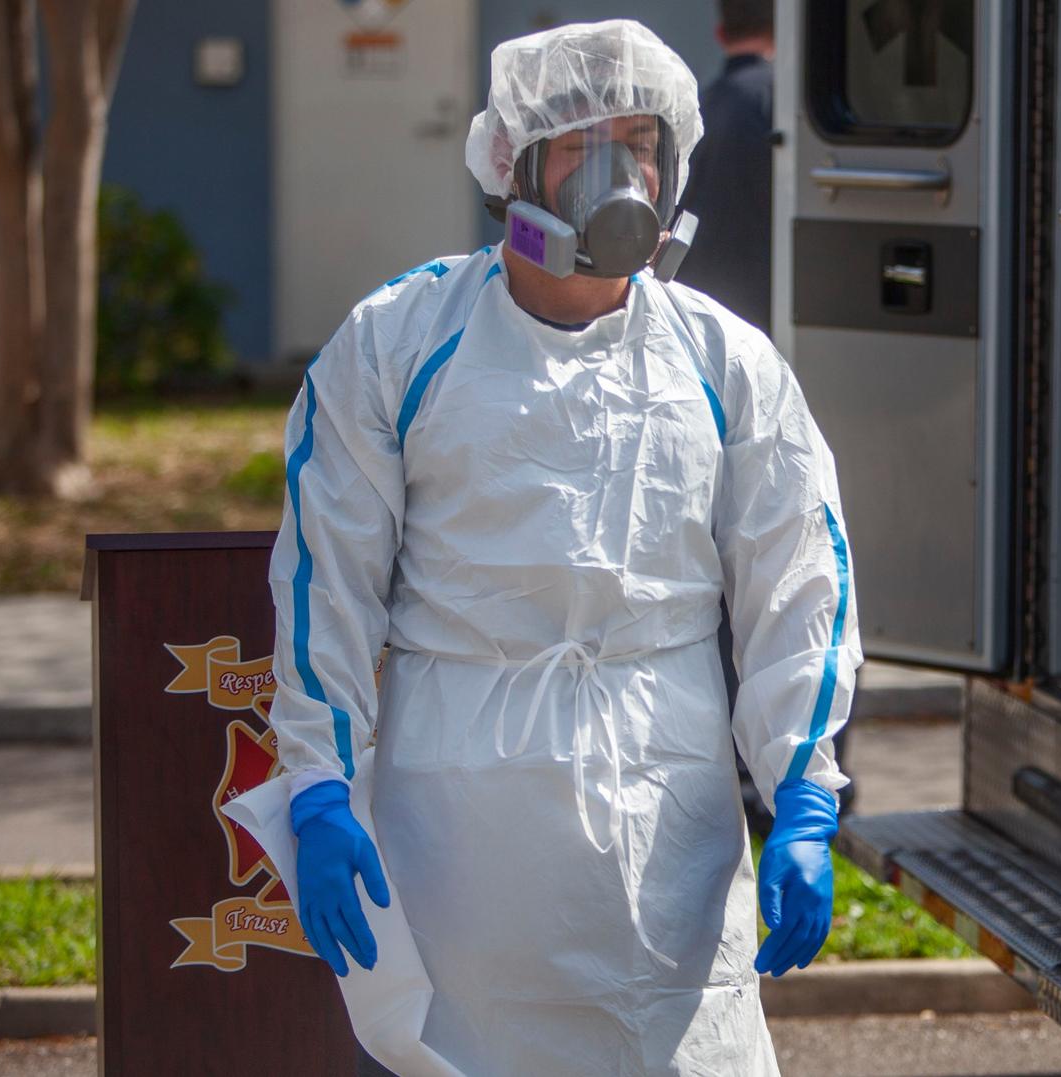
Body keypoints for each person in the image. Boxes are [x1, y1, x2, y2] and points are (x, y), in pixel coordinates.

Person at [265, 20, 860, 1077]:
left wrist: (803, 792)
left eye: (641, 139)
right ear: (517, 164)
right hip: (459, 820)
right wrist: (317, 783)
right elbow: (329, 581)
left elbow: (799, 576)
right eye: (584, 142)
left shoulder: (721, 361)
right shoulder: (398, 343)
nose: (620, 168)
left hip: (665, 808)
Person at [676, 0, 777, 332]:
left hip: (697, 299)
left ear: (720, 33)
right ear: (782, 30)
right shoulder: (783, 102)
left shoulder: (698, 105)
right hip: (766, 304)